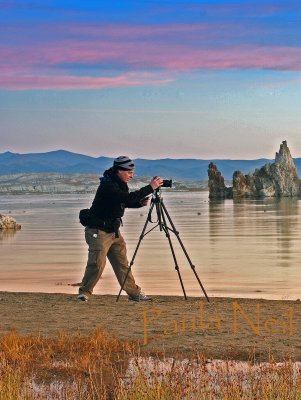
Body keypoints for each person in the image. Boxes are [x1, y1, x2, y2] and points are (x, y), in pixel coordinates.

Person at [77, 156, 163, 302]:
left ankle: (134, 294)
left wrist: (138, 204)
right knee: (97, 263)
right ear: (119, 171)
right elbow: (126, 198)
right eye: (129, 172)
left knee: (122, 264)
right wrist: (151, 187)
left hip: (113, 231)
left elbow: (121, 202)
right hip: (98, 231)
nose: (132, 175)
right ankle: (84, 292)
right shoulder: (108, 185)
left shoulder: (118, 184)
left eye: (132, 172)